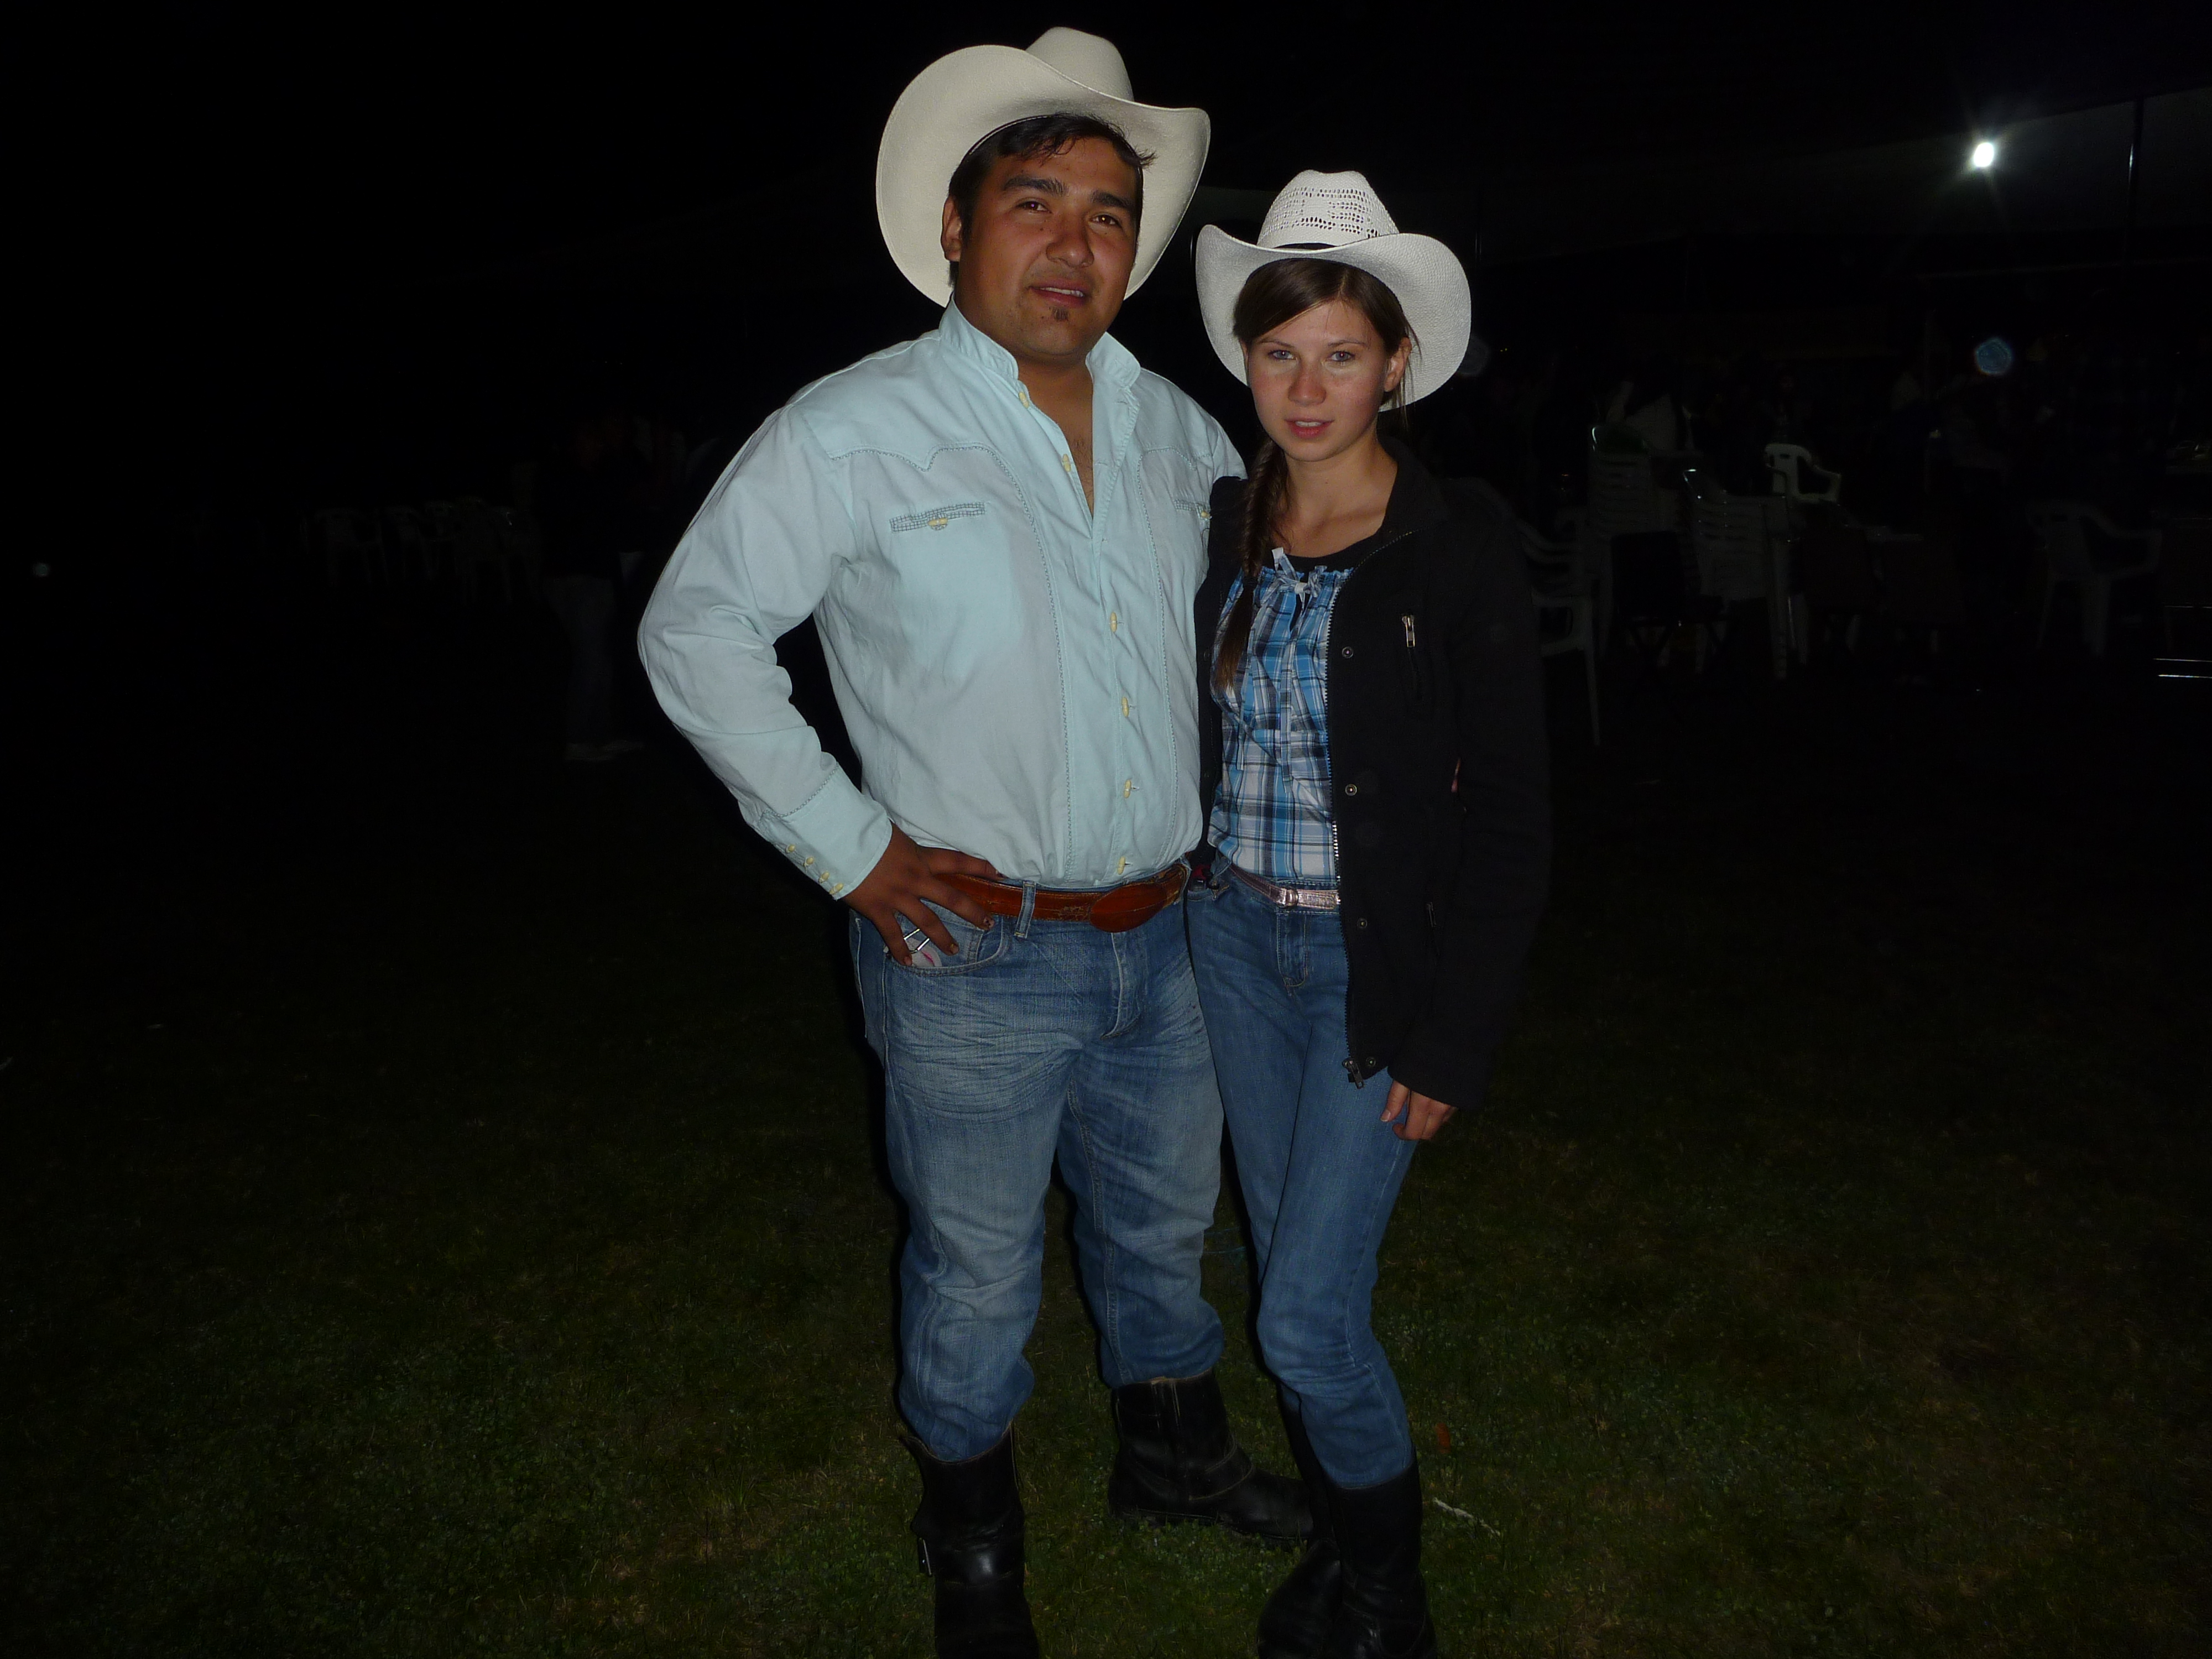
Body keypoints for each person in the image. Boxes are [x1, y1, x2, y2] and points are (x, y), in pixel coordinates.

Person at [637, 30, 1305, 1658]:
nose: (1075, 243)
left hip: (1172, 933)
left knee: (1164, 1230)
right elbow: (696, 630)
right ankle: (976, 1547)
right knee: (978, 1267)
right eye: (1035, 202)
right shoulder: (850, 429)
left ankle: (1173, 1460)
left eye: (1107, 213)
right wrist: (852, 850)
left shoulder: (1186, 437)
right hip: (967, 943)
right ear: (955, 227)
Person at [1185, 172, 1551, 1657]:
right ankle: (1346, 1557)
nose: (1307, 386)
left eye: (1341, 354)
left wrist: (1453, 1039)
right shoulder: (1230, 520)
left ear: (1397, 363)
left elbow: (1514, 818)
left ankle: (1392, 1607)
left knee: (1303, 1320)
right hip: (1231, 942)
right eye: (1281, 352)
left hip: (1367, 965)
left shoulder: (1455, 549)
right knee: (1296, 1274)